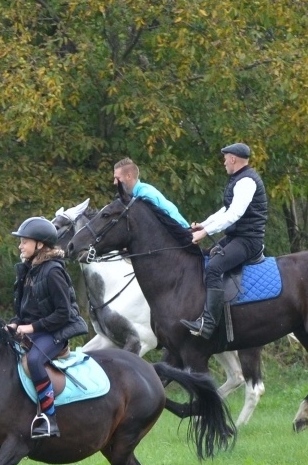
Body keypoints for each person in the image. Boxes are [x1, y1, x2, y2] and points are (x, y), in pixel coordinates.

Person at [8, 217, 88, 438]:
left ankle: (49, 418)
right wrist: (15, 322)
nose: (20, 246)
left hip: (54, 333)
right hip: (34, 330)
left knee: (34, 360)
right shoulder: (28, 270)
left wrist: (30, 328)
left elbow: (64, 314)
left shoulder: (53, 271)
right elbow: (25, 309)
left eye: (24, 241)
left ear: (40, 245)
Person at [183, 143, 269, 341]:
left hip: (248, 240)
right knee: (203, 255)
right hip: (236, 237)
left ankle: (208, 325)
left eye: (225, 158)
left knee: (214, 268)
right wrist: (202, 225)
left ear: (233, 159)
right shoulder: (238, 179)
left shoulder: (246, 181)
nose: (223, 162)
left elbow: (234, 215)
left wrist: (205, 232)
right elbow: (225, 210)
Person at [112, 158, 189, 229]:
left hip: (181, 236)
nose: (115, 182)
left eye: (117, 178)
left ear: (129, 176)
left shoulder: (145, 195)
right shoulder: (135, 195)